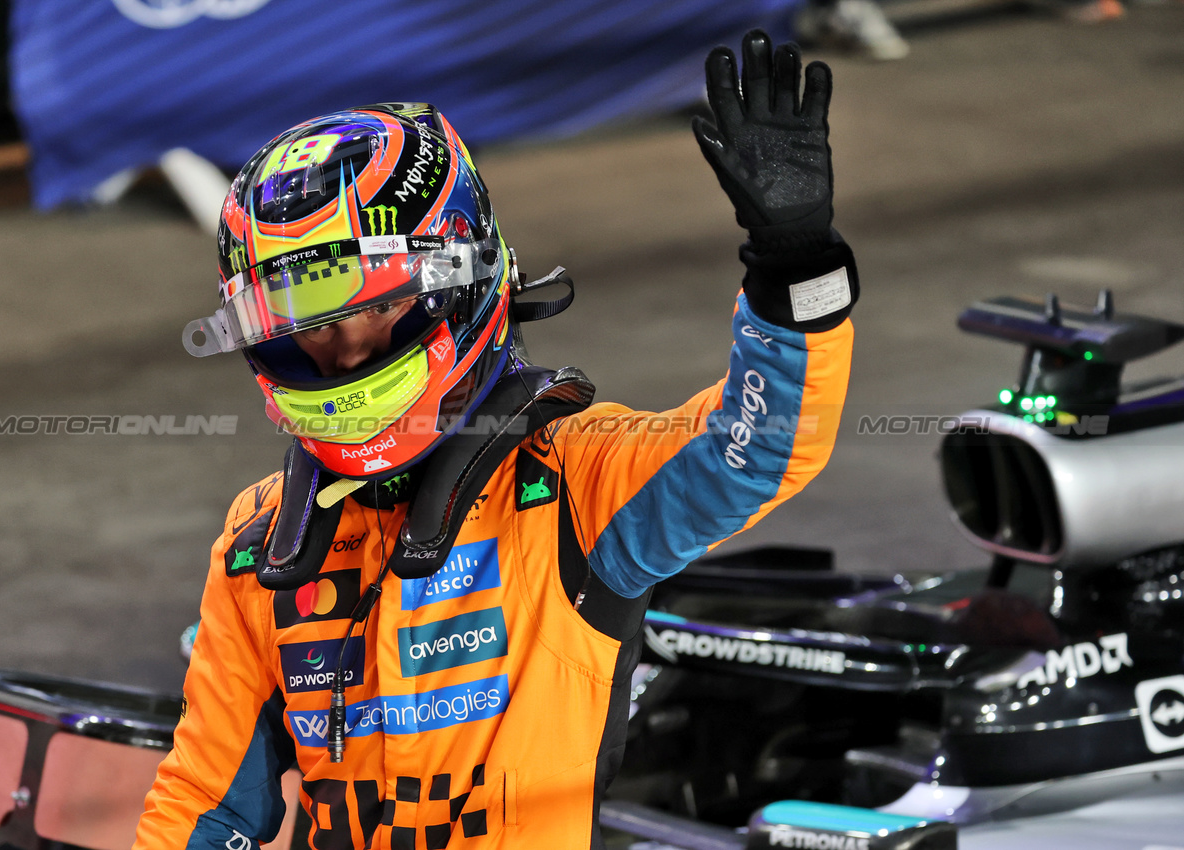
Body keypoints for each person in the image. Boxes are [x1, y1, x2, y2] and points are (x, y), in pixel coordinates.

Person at [136, 29, 858, 850]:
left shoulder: (575, 481)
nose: (339, 354)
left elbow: (755, 449)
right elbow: (209, 801)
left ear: (460, 285)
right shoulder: (258, 544)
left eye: (368, 310)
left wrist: (797, 269)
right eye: (303, 328)